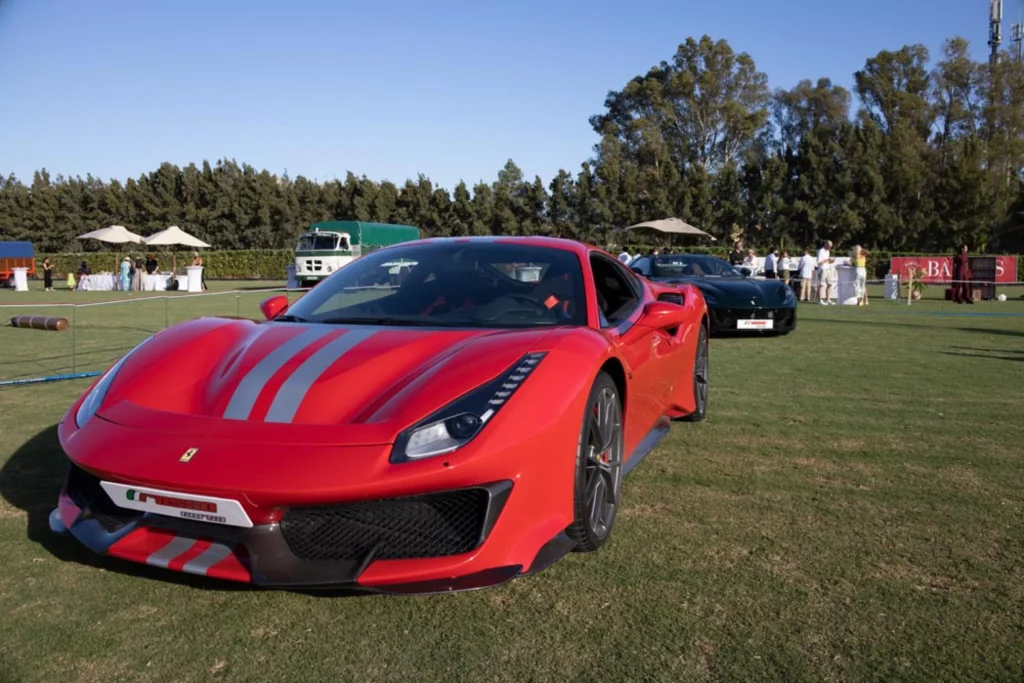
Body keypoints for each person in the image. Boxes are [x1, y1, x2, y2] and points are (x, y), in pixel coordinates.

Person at [817, 240, 836, 304]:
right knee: (821, 285)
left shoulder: (828, 251)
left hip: (828, 269)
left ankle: (828, 299)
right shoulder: (820, 251)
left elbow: (827, 262)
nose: (829, 248)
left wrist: (831, 261)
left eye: (830, 247)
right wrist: (828, 259)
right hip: (822, 270)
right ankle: (820, 300)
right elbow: (819, 263)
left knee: (830, 284)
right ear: (825, 244)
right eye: (829, 246)